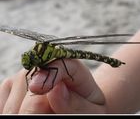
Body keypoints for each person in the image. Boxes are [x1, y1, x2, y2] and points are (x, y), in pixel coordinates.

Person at [0, 31, 140, 114]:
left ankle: (113, 61)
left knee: (56, 67)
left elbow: (56, 68)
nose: (29, 65)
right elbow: (30, 74)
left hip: (65, 56)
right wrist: (107, 109)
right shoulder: (36, 60)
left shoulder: (47, 59)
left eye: (32, 60)